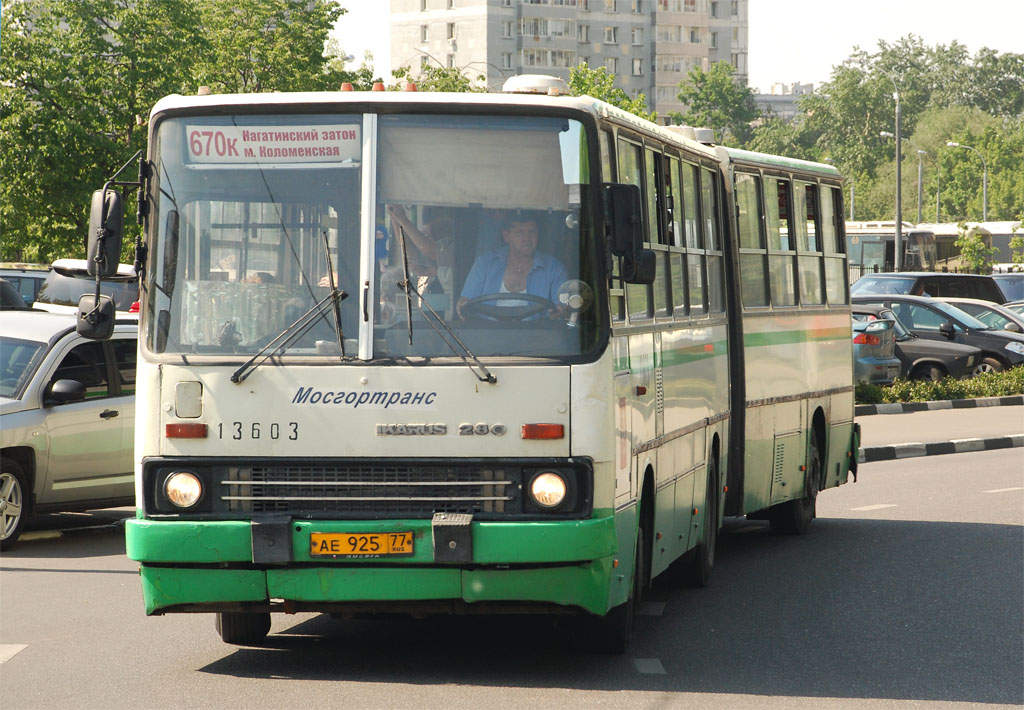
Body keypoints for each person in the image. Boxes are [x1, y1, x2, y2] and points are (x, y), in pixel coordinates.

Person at [456, 213, 567, 319]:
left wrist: (561, 310)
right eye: (520, 232)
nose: (527, 238)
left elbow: (561, 307)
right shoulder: (484, 263)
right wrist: (462, 305)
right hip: (488, 334)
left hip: (536, 336)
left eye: (532, 232)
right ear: (506, 236)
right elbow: (466, 301)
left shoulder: (554, 268)